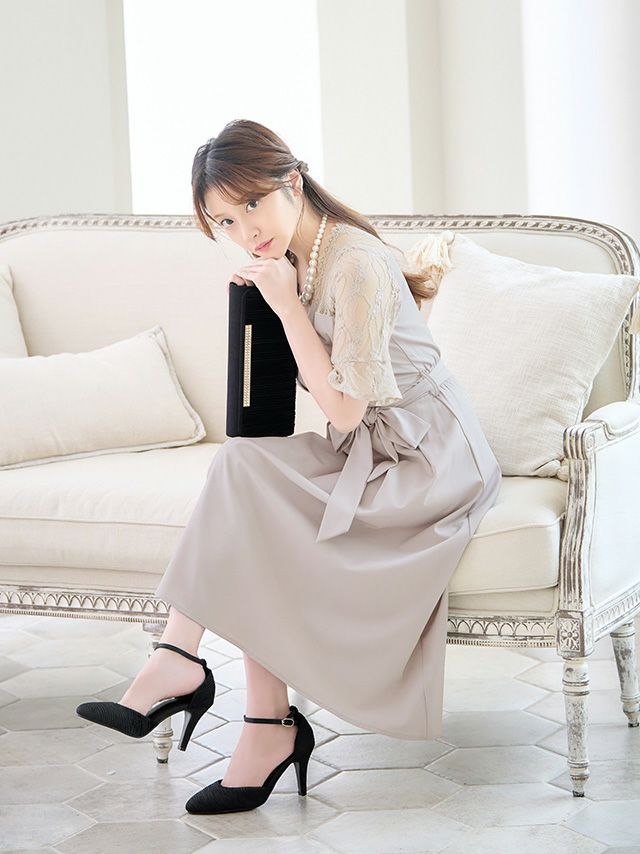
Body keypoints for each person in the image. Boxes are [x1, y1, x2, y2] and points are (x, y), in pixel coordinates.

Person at [76, 118, 502, 815]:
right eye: (225, 221)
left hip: (430, 463)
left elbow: (344, 412)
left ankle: (214, 687)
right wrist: (262, 311)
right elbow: (281, 412)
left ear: (293, 183)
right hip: (375, 450)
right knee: (243, 470)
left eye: (253, 204)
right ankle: (231, 699)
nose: (246, 230)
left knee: (250, 492)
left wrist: (284, 307)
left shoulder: (354, 262)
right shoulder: (295, 259)